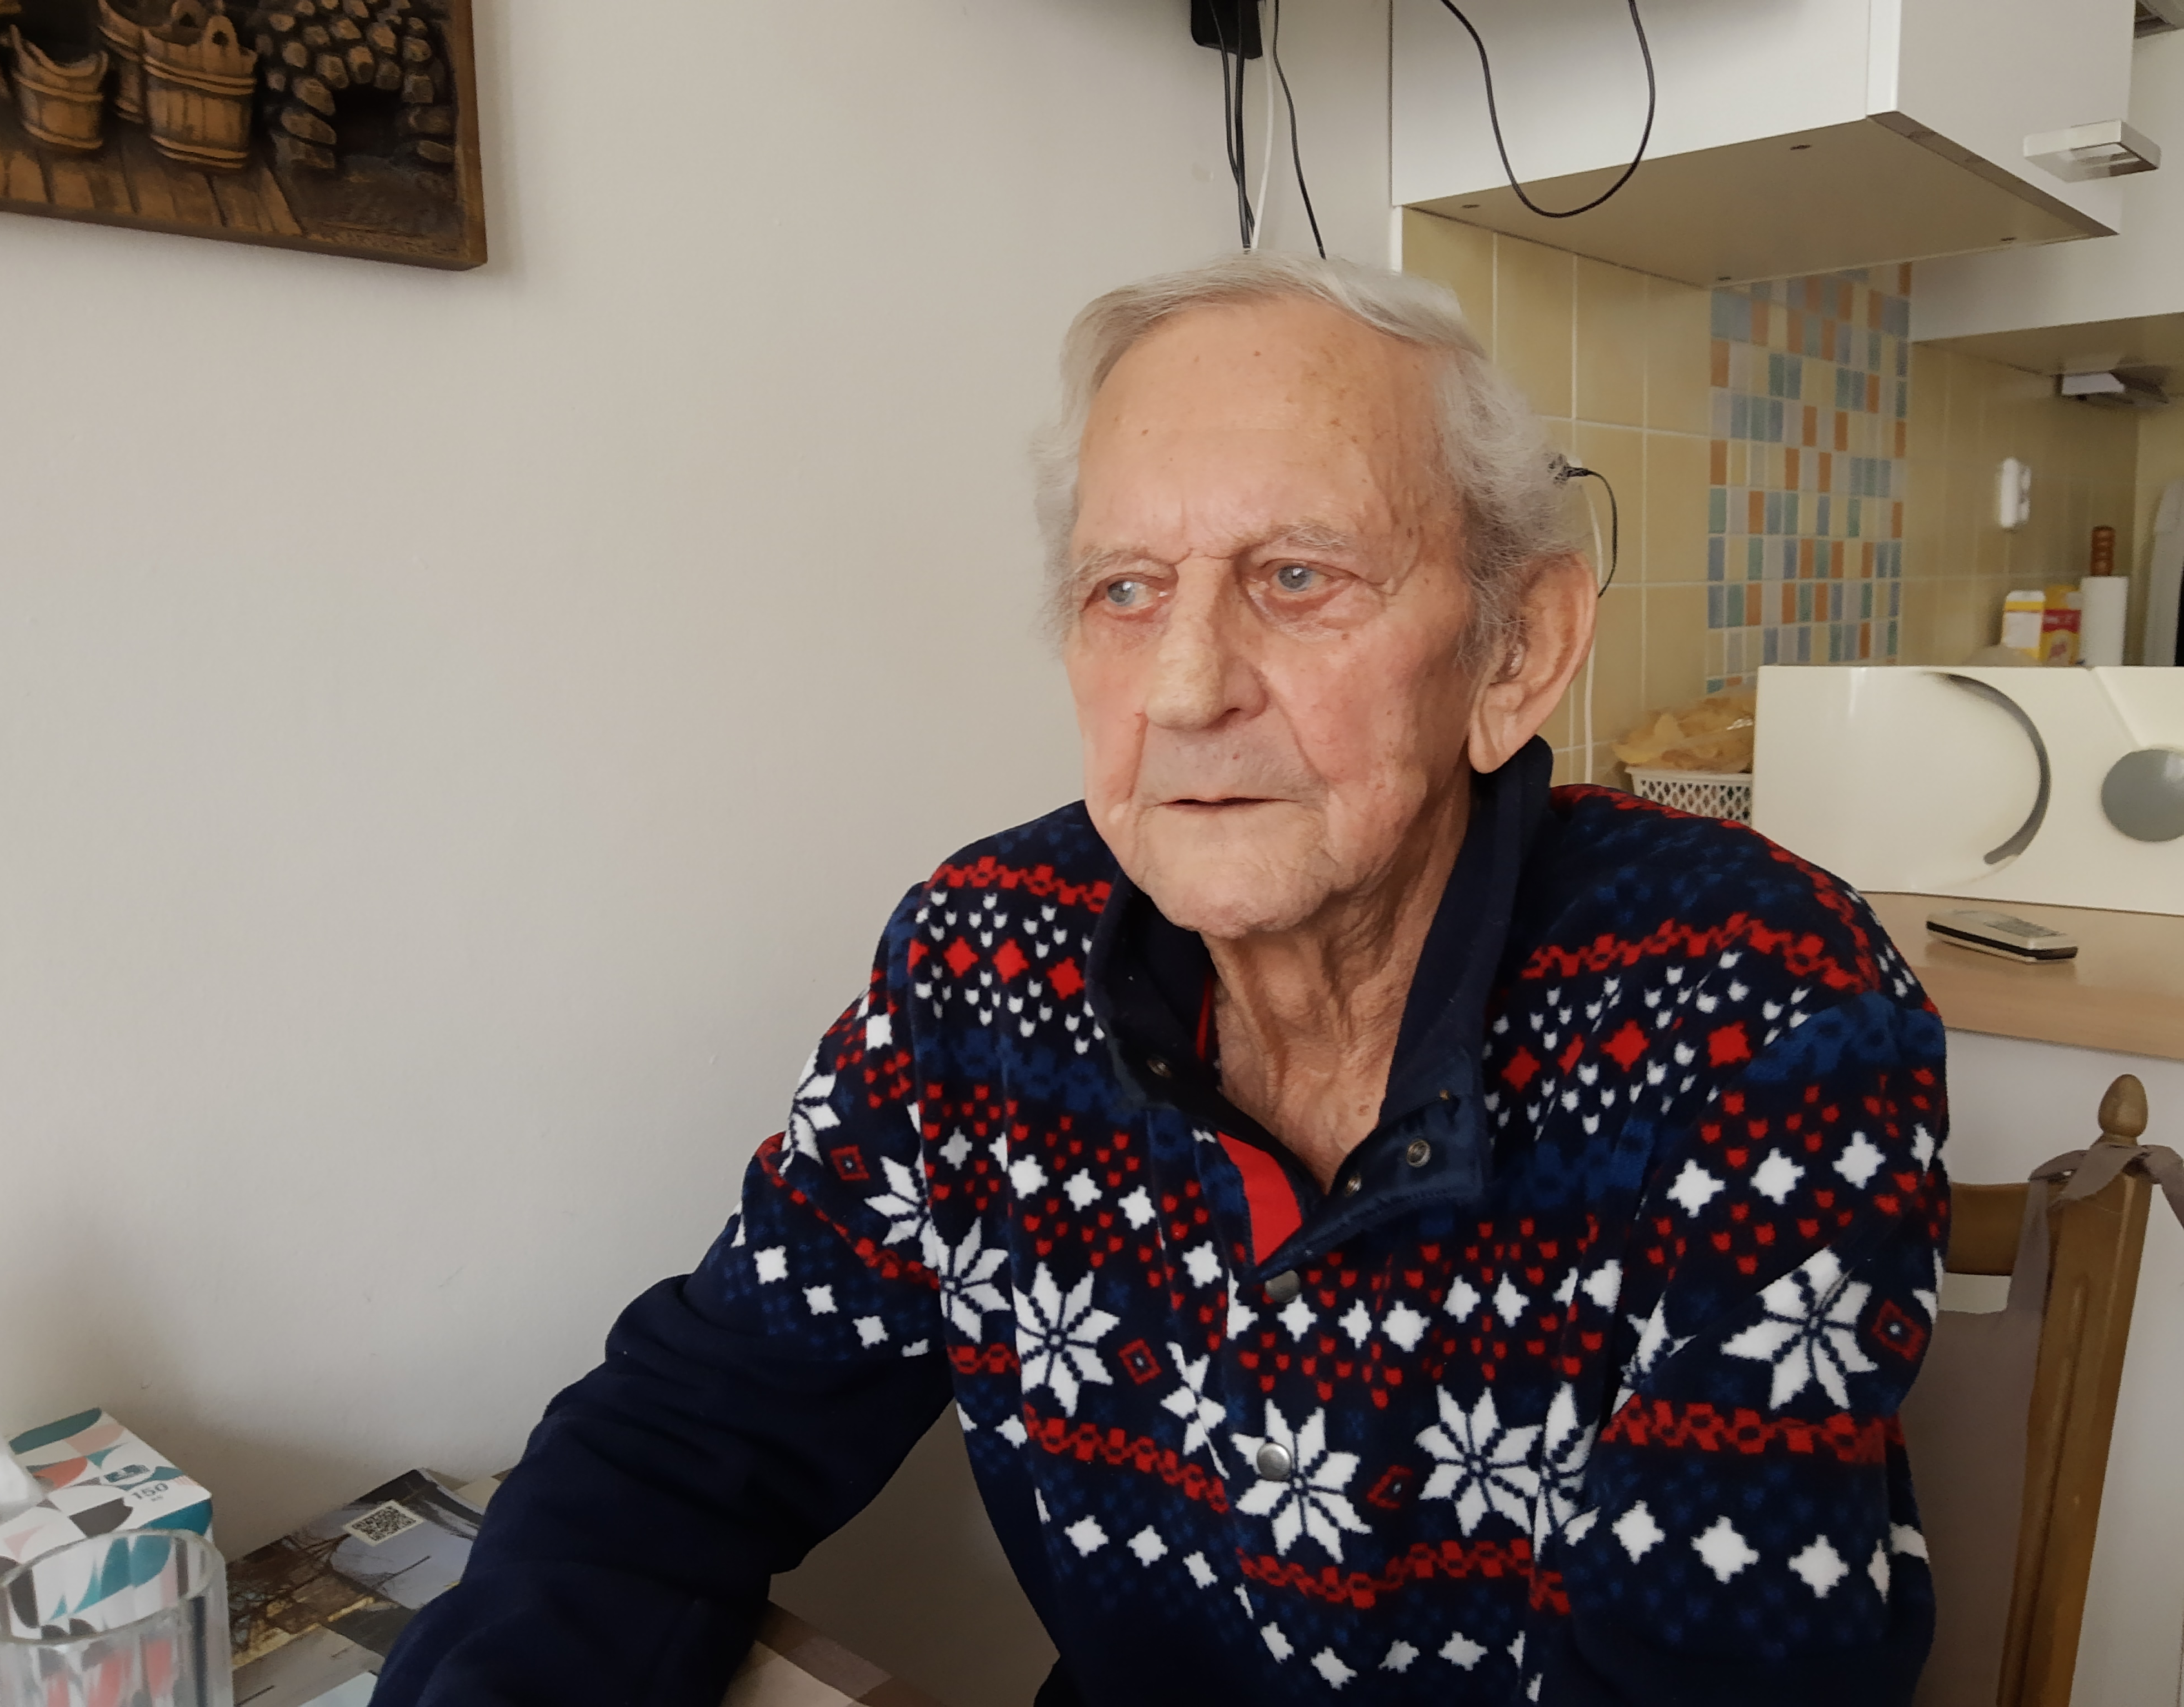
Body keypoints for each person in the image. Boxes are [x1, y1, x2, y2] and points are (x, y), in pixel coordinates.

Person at [374, 253, 1947, 1707]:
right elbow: (692, 1435)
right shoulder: (985, 965)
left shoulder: (1763, 1009)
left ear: (1515, 650)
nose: (1186, 687)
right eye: (1124, 590)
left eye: (1299, 576)